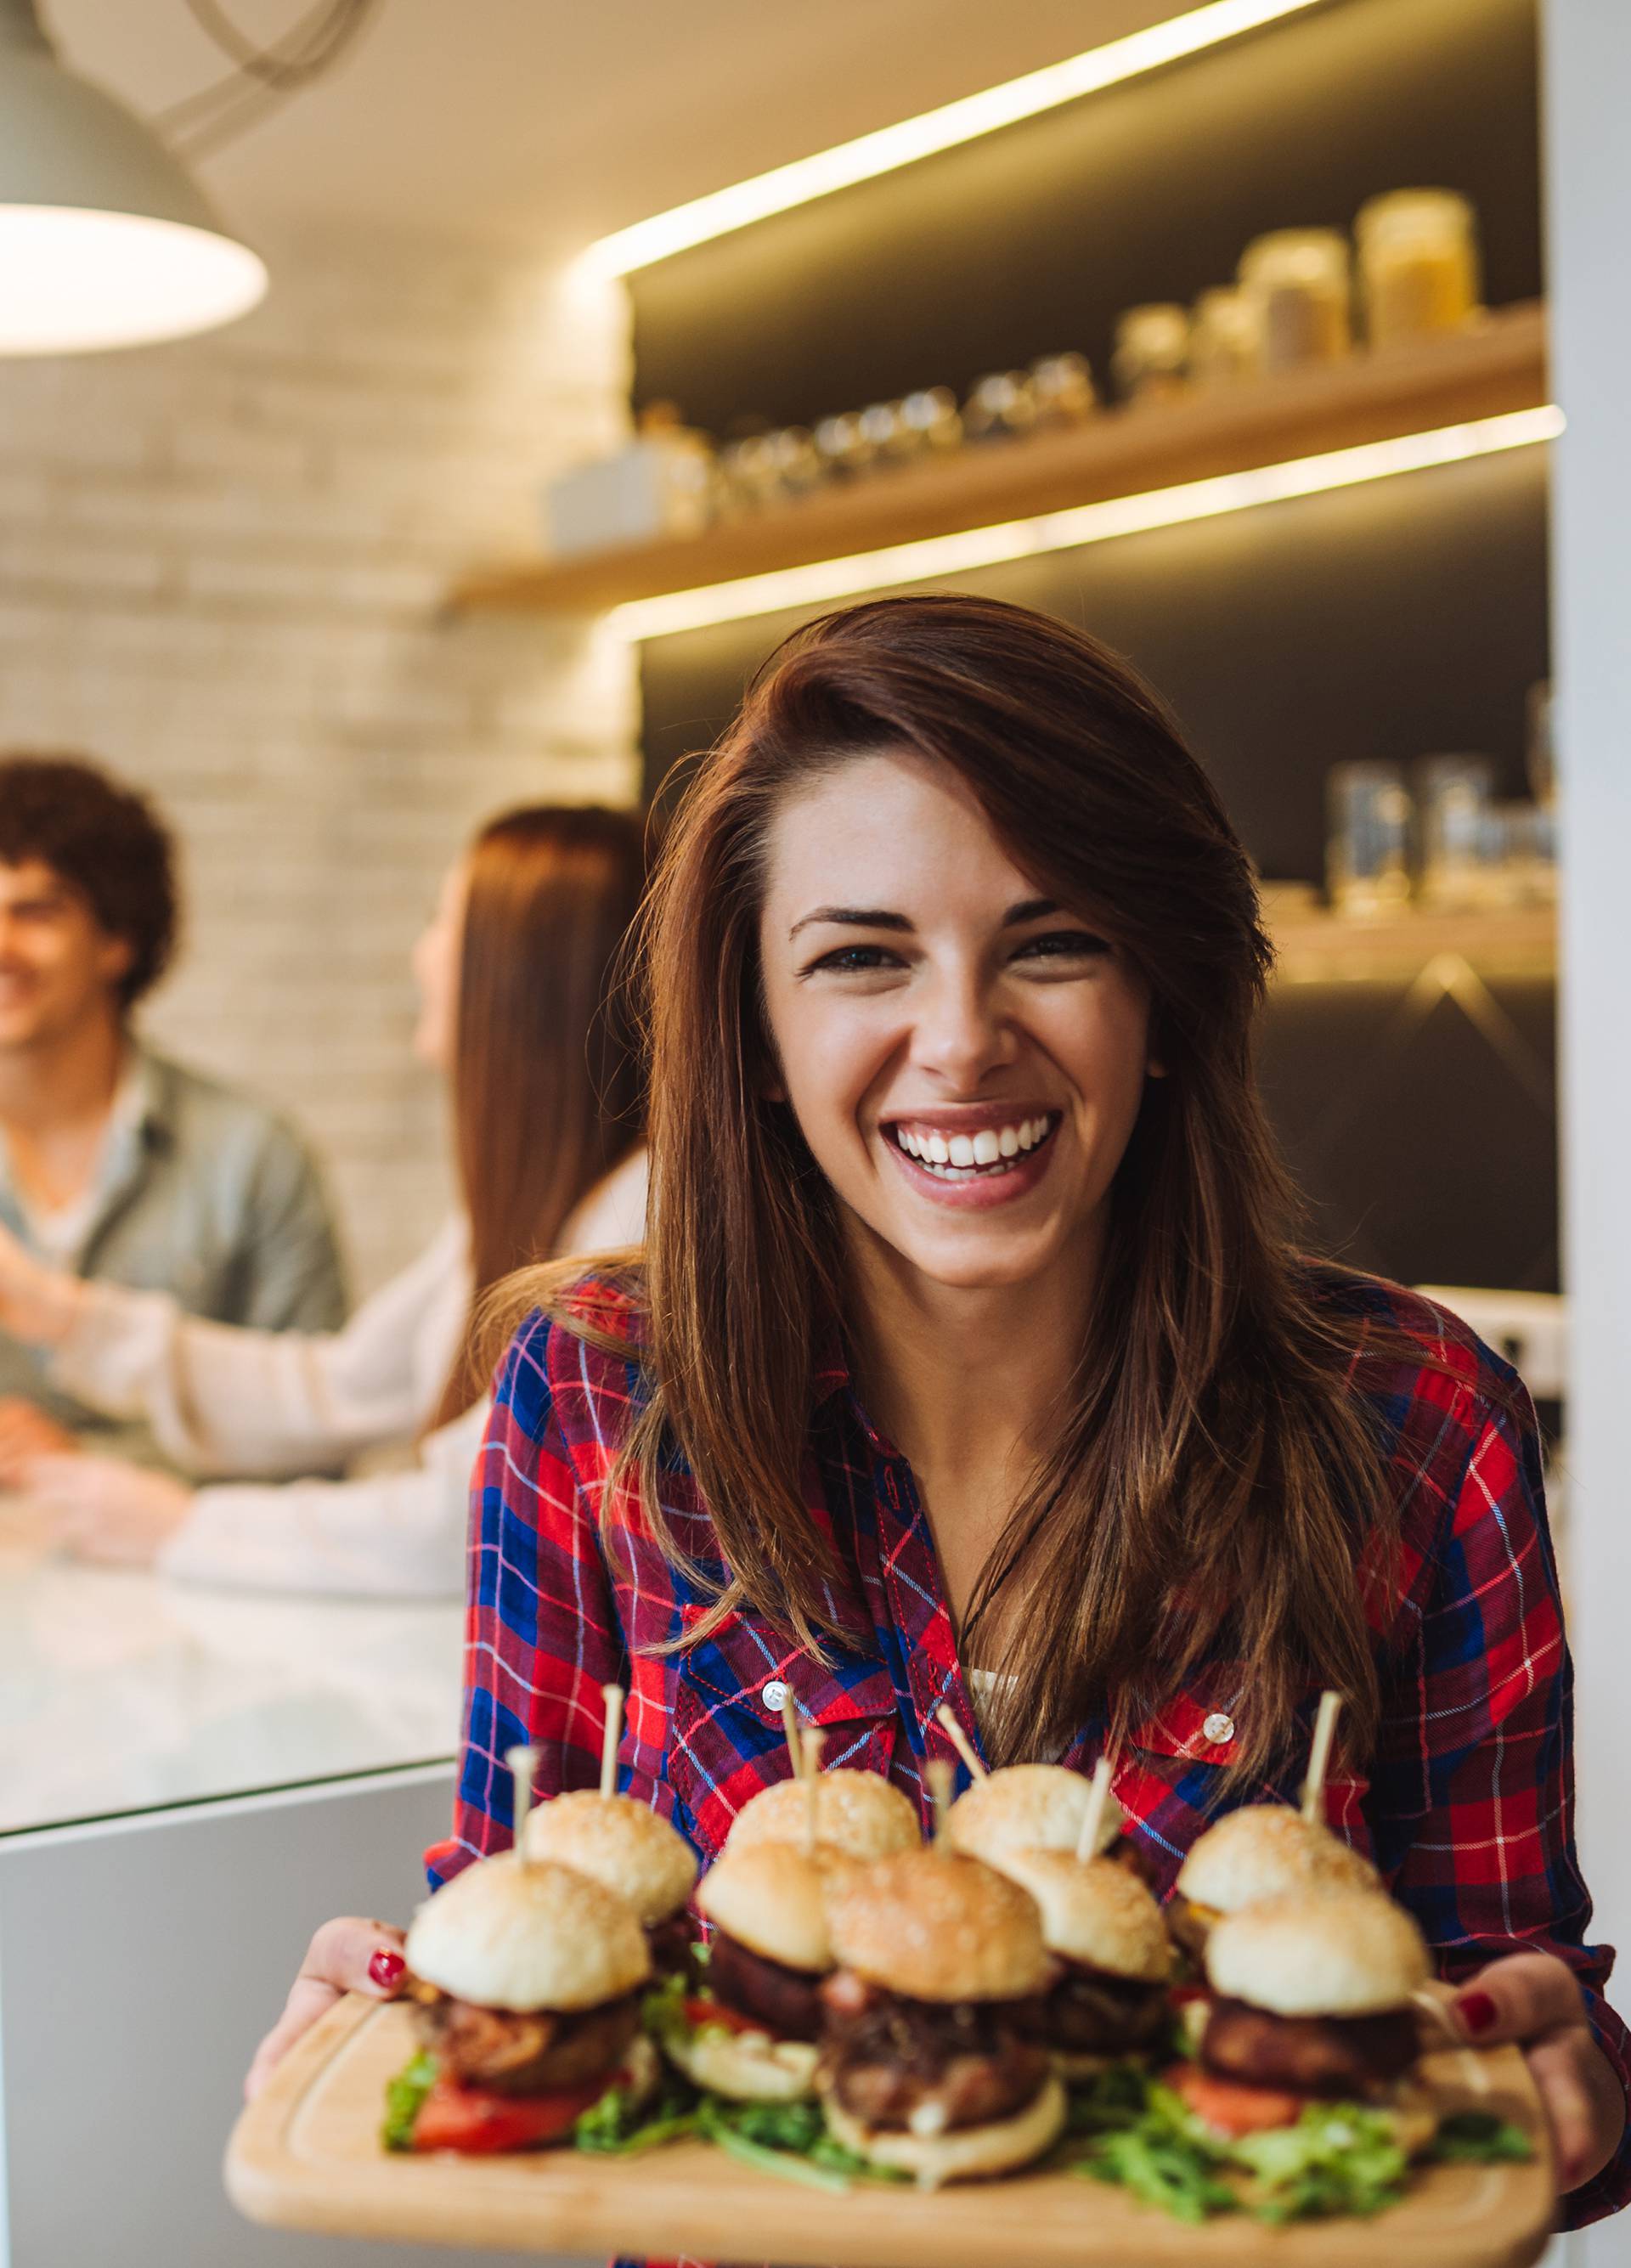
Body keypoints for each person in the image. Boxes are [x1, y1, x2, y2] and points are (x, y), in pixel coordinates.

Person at [245, 598, 1628, 2220]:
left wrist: (1571, 2077)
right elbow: (530, 1908)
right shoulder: (595, 1400)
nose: (963, 1043)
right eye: (861, 958)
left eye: (1053, 943)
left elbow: (1508, 2003)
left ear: (1168, 997)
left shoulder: (1419, 1420)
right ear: (756, 1030)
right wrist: (428, 2003)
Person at [0, 804, 646, 1595]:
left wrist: (178, 1523)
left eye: (442, 919)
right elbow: (344, 1386)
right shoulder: (535, 1204)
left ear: (524, 970)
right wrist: (59, 1315)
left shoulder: (632, 1227)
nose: (421, 956)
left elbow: (465, 1518)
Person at [0, 753, 347, 1475]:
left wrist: (93, 1463)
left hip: (192, 1574)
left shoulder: (252, 1157)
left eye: (35, 912)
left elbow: (322, 1431)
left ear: (117, 940)